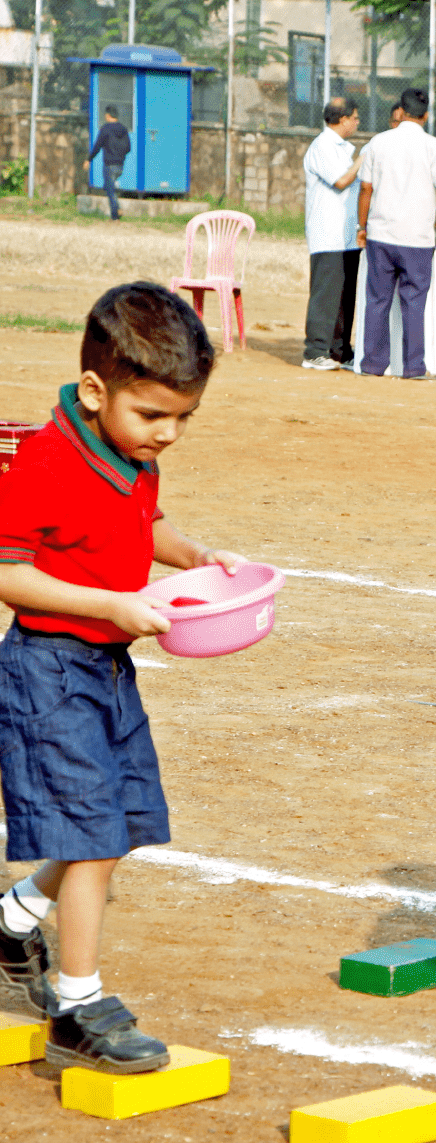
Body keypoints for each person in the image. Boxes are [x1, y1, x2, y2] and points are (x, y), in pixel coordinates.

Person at [0, 283, 244, 1069]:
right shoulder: (44, 462)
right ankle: (76, 1007)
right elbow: (9, 573)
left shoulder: (131, 451)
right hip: (47, 673)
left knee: (123, 820)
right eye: (153, 415)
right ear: (97, 391)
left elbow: (149, 524)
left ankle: (14, 918)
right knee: (91, 829)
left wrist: (197, 556)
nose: (168, 434)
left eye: (184, 418)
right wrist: (110, 601)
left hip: (105, 668)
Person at [356, 88, 436, 381]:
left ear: (401, 111)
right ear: (425, 115)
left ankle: (372, 364)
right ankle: (413, 367)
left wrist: (362, 226)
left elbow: (365, 189)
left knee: (378, 300)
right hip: (417, 237)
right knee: (413, 303)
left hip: (382, 233)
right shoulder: (432, 146)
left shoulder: (378, 142)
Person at [302, 96, 364, 372]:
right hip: (327, 233)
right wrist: (364, 158)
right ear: (343, 119)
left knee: (345, 295)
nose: (357, 123)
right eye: (355, 118)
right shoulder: (323, 146)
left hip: (347, 234)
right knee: (326, 294)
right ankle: (315, 350)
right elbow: (341, 180)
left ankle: (340, 349)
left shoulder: (341, 148)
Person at [84, 106, 131, 222]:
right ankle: (117, 210)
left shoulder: (105, 129)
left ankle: (115, 215)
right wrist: (120, 155)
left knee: (109, 189)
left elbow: (97, 146)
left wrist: (89, 159)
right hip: (120, 165)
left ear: (108, 115)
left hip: (109, 164)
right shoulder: (124, 129)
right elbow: (128, 148)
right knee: (110, 187)